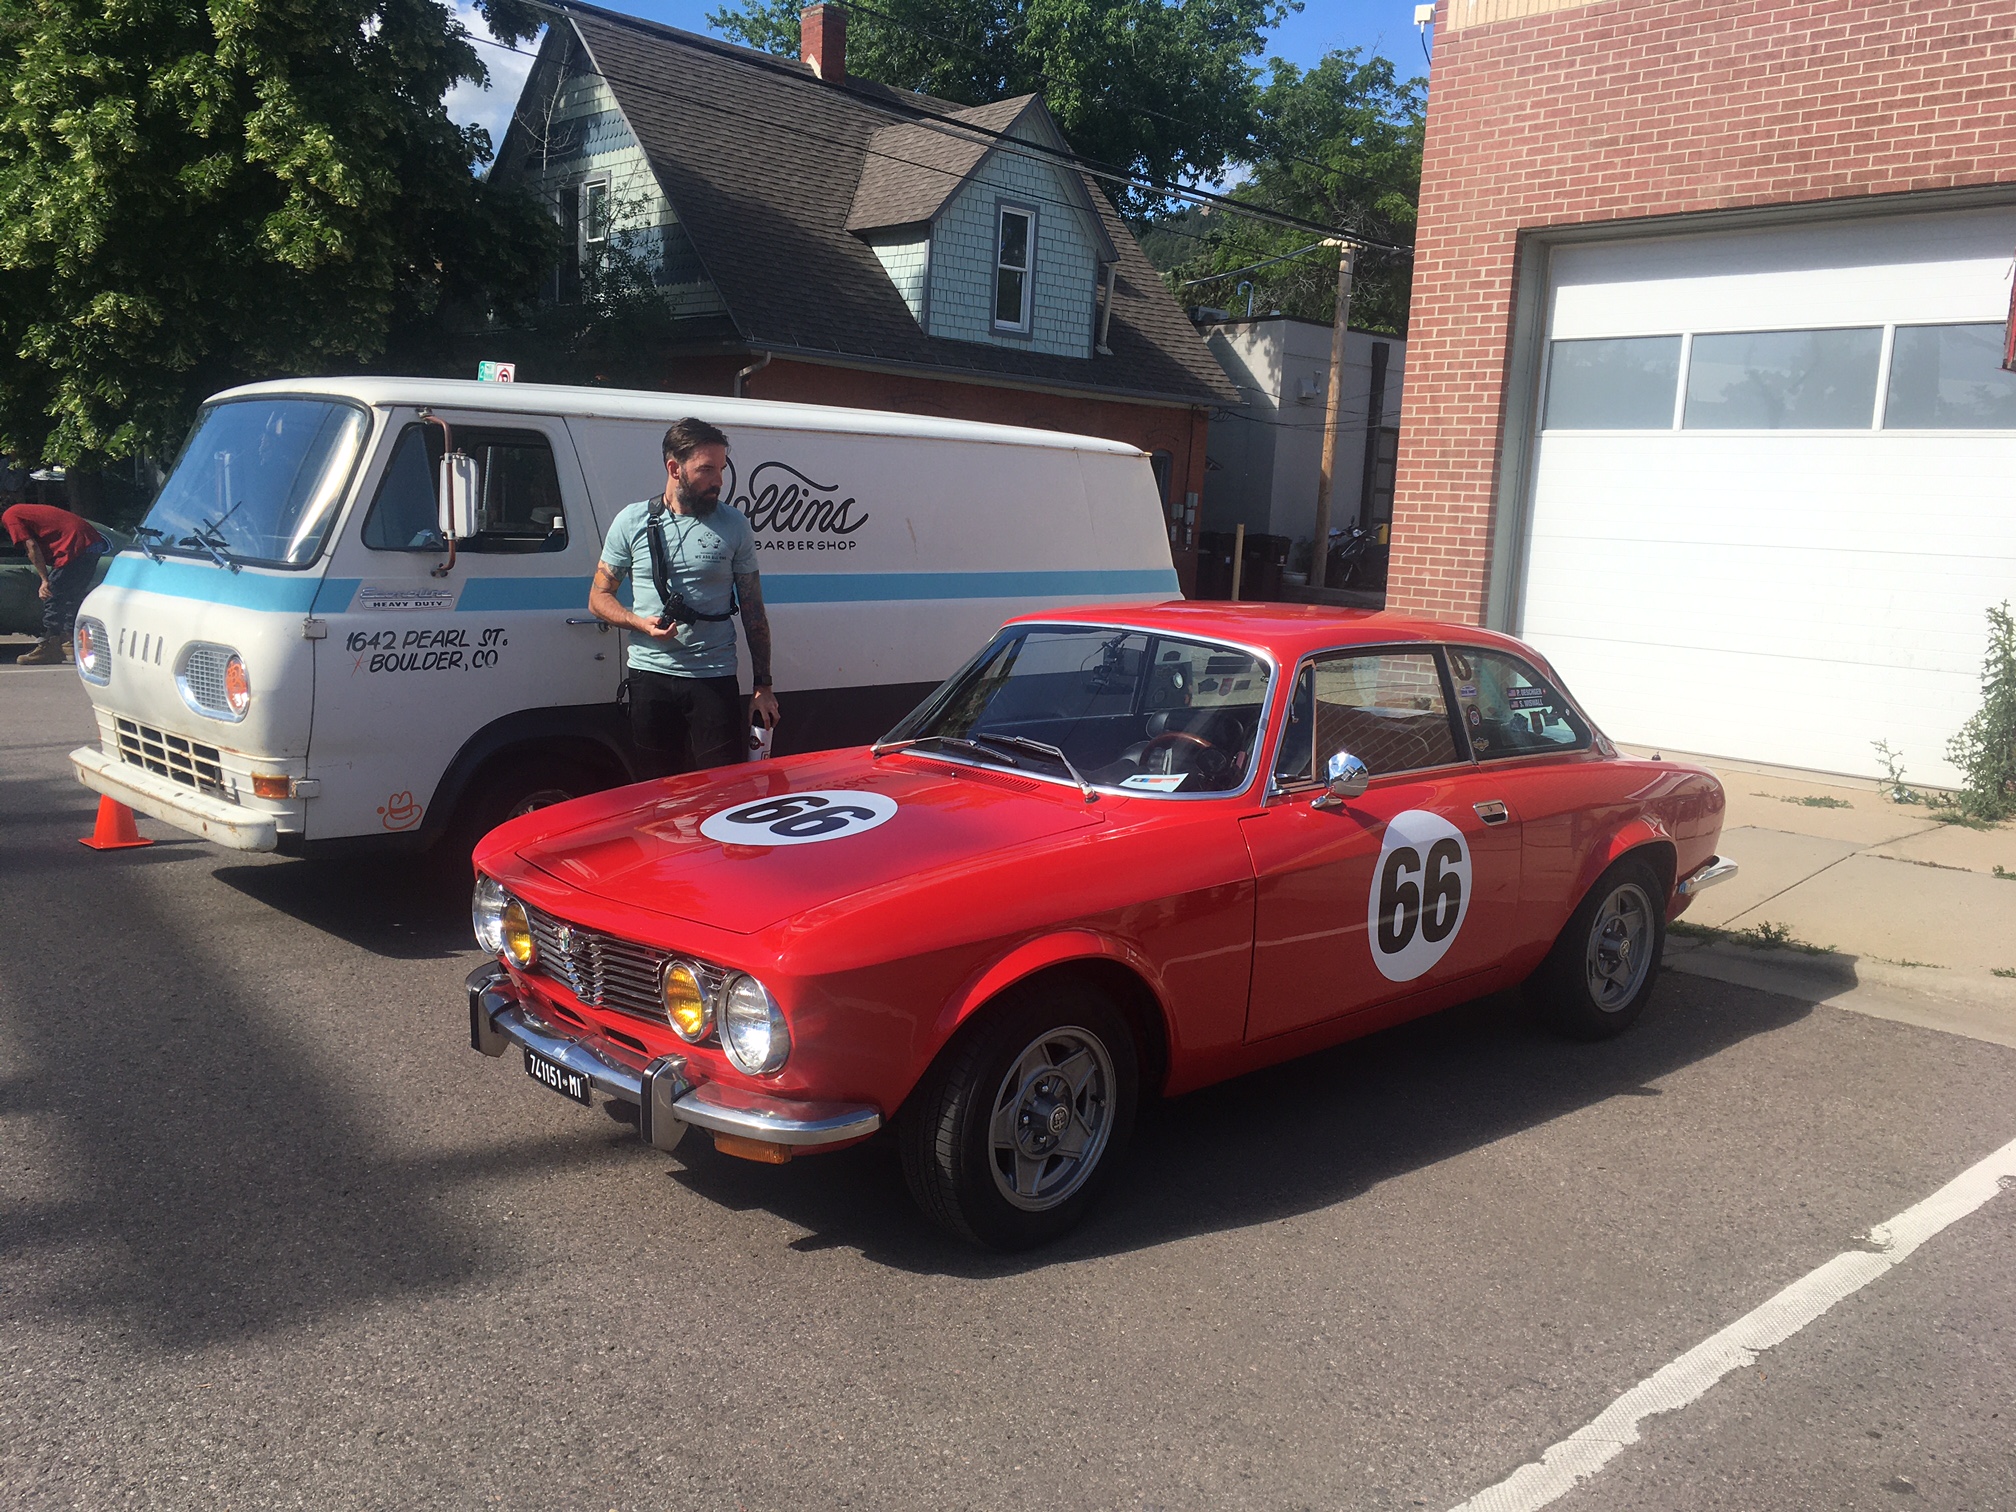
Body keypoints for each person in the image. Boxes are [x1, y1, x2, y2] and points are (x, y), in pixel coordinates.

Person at [589, 418, 780, 777]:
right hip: (650, 676)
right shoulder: (631, 521)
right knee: (657, 789)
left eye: (721, 469)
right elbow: (598, 597)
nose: (719, 481)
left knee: (722, 788)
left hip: (713, 677)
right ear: (674, 468)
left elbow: (753, 611)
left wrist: (763, 687)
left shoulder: (734, 524)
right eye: (707, 469)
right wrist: (639, 623)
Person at [3, 500, 106, 664]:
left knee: (53, 593)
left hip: (75, 543)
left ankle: (50, 646)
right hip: (92, 542)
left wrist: (44, 580)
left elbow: (31, 546)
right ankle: (70, 642)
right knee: (71, 596)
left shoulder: (10, 516)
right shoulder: (23, 511)